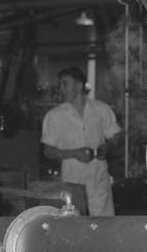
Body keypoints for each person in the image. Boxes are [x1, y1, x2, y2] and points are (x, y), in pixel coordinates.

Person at [41, 66, 121, 216]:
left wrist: (107, 147)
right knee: (74, 226)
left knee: (104, 225)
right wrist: (74, 153)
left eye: (65, 84)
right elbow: (48, 151)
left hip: (99, 179)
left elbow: (115, 136)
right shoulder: (55, 116)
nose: (61, 89)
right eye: (61, 85)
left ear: (78, 86)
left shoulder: (101, 109)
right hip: (72, 182)